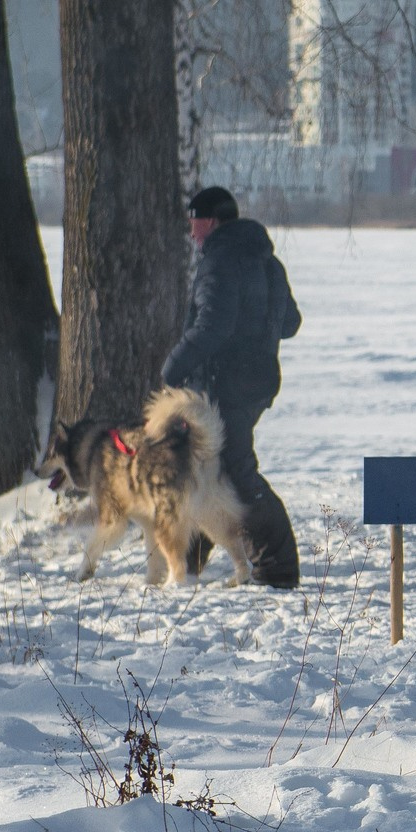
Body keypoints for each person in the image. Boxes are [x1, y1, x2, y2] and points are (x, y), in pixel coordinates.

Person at [161, 185, 304, 587]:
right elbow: (290, 323)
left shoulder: (219, 262)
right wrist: (259, 328)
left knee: (237, 472)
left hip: (226, 383)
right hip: (259, 381)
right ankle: (188, 563)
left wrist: (173, 369)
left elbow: (213, 326)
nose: (191, 232)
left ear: (210, 220)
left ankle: (278, 568)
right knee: (211, 469)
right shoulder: (267, 261)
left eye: (194, 222)